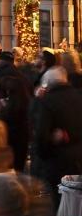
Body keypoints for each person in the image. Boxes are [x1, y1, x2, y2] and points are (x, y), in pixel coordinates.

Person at [30, 66, 82, 205]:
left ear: (47, 84)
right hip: (78, 157)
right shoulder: (79, 96)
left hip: (56, 161)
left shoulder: (47, 102)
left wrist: (43, 154)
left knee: (59, 200)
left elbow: (41, 135)